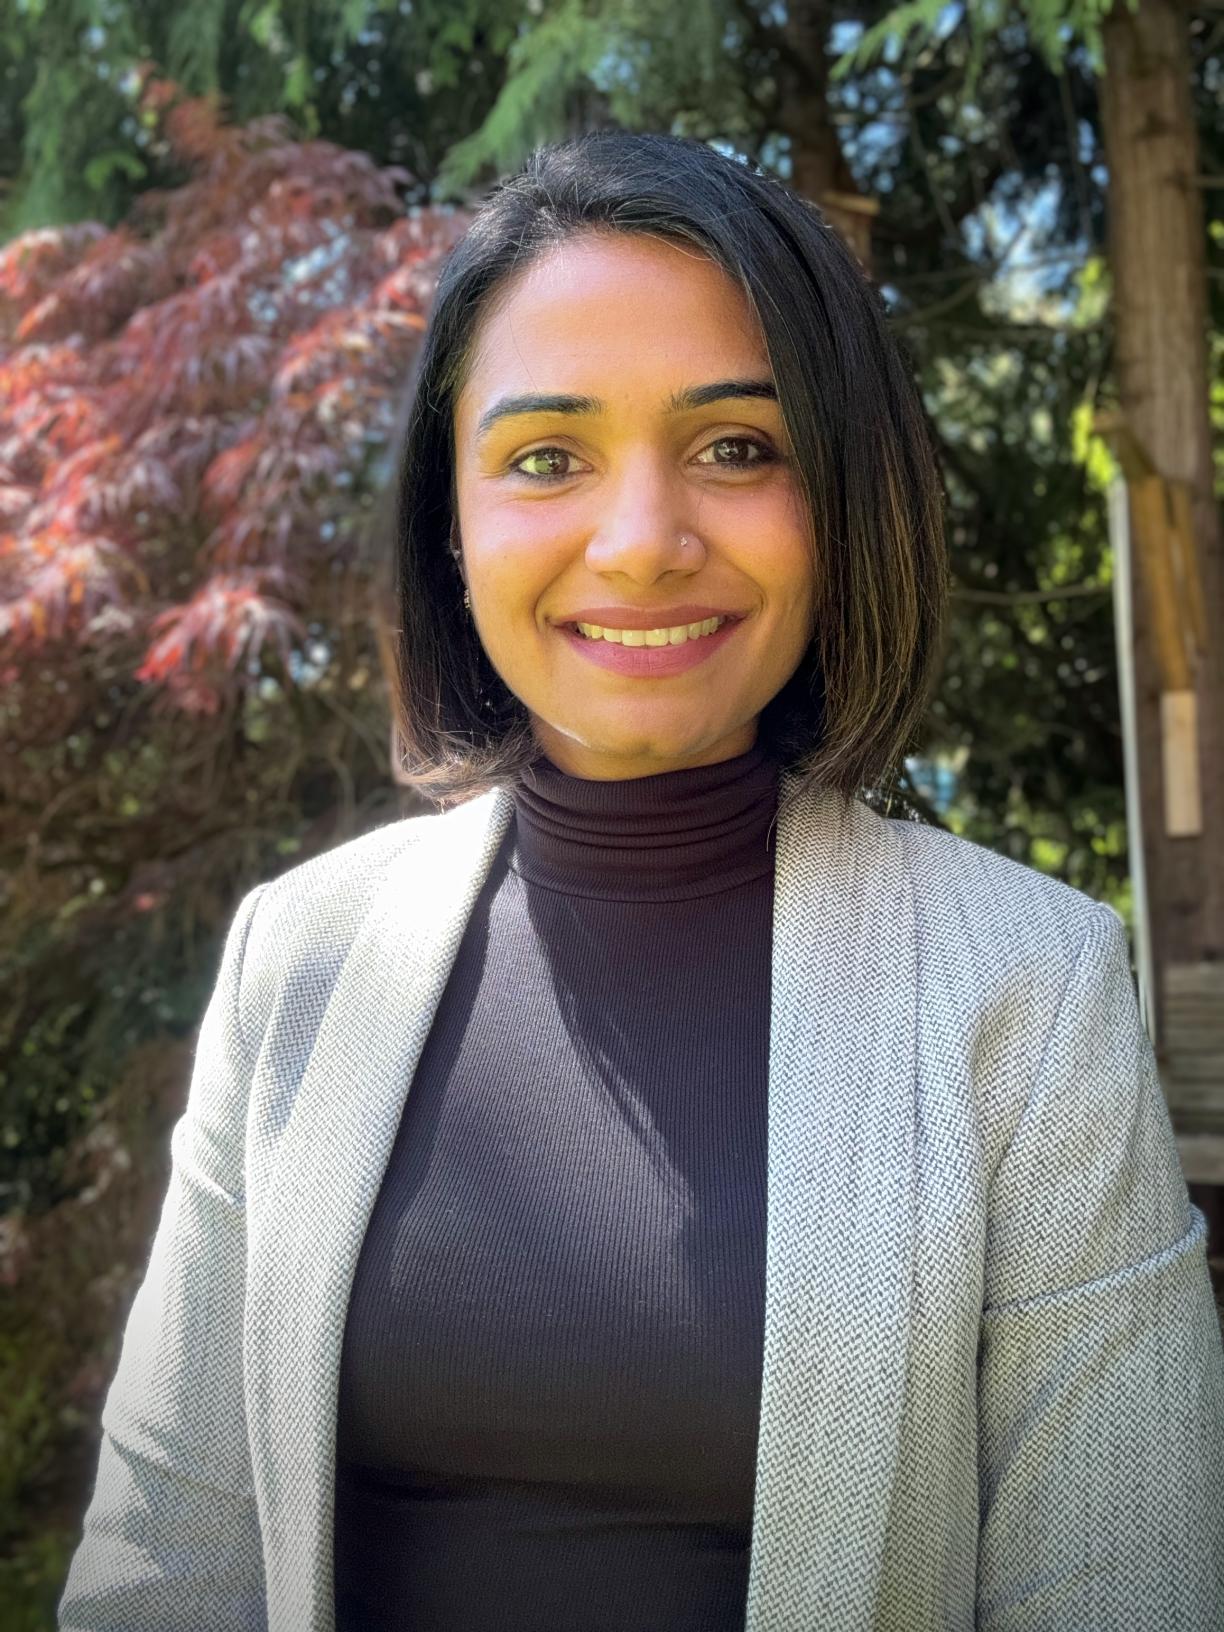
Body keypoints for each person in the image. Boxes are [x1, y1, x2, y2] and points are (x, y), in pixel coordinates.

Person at [59, 131, 1223, 1632]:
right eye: (546, 457)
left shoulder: (1030, 987)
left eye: (739, 447)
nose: (642, 542)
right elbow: (167, 1557)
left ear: (844, 499)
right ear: (453, 524)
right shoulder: (299, 958)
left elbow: (1124, 1584)